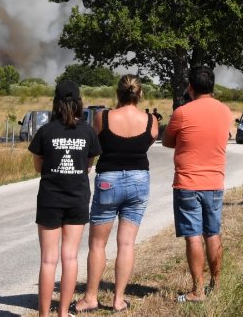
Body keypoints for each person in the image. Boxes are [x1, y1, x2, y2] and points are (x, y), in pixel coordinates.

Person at [74, 75, 157, 314]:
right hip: (139, 179)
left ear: (117, 93)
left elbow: (95, 144)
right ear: (140, 94)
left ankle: (90, 297)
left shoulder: (103, 117)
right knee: (126, 243)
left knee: (97, 244)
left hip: (108, 181)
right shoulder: (151, 121)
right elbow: (145, 145)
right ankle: (118, 300)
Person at [162, 65, 234, 303]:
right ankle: (217, 283)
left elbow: (168, 141)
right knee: (213, 233)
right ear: (212, 85)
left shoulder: (183, 112)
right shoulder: (225, 111)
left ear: (190, 87)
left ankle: (197, 290)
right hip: (215, 182)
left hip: (187, 183)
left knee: (193, 236)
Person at [28, 80, 101, 317]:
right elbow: (88, 166)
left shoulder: (45, 131)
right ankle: (62, 313)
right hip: (77, 198)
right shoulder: (87, 132)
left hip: (50, 198)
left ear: (56, 103)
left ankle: (43, 314)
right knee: (70, 256)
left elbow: (38, 166)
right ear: (79, 103)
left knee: (48, 259)